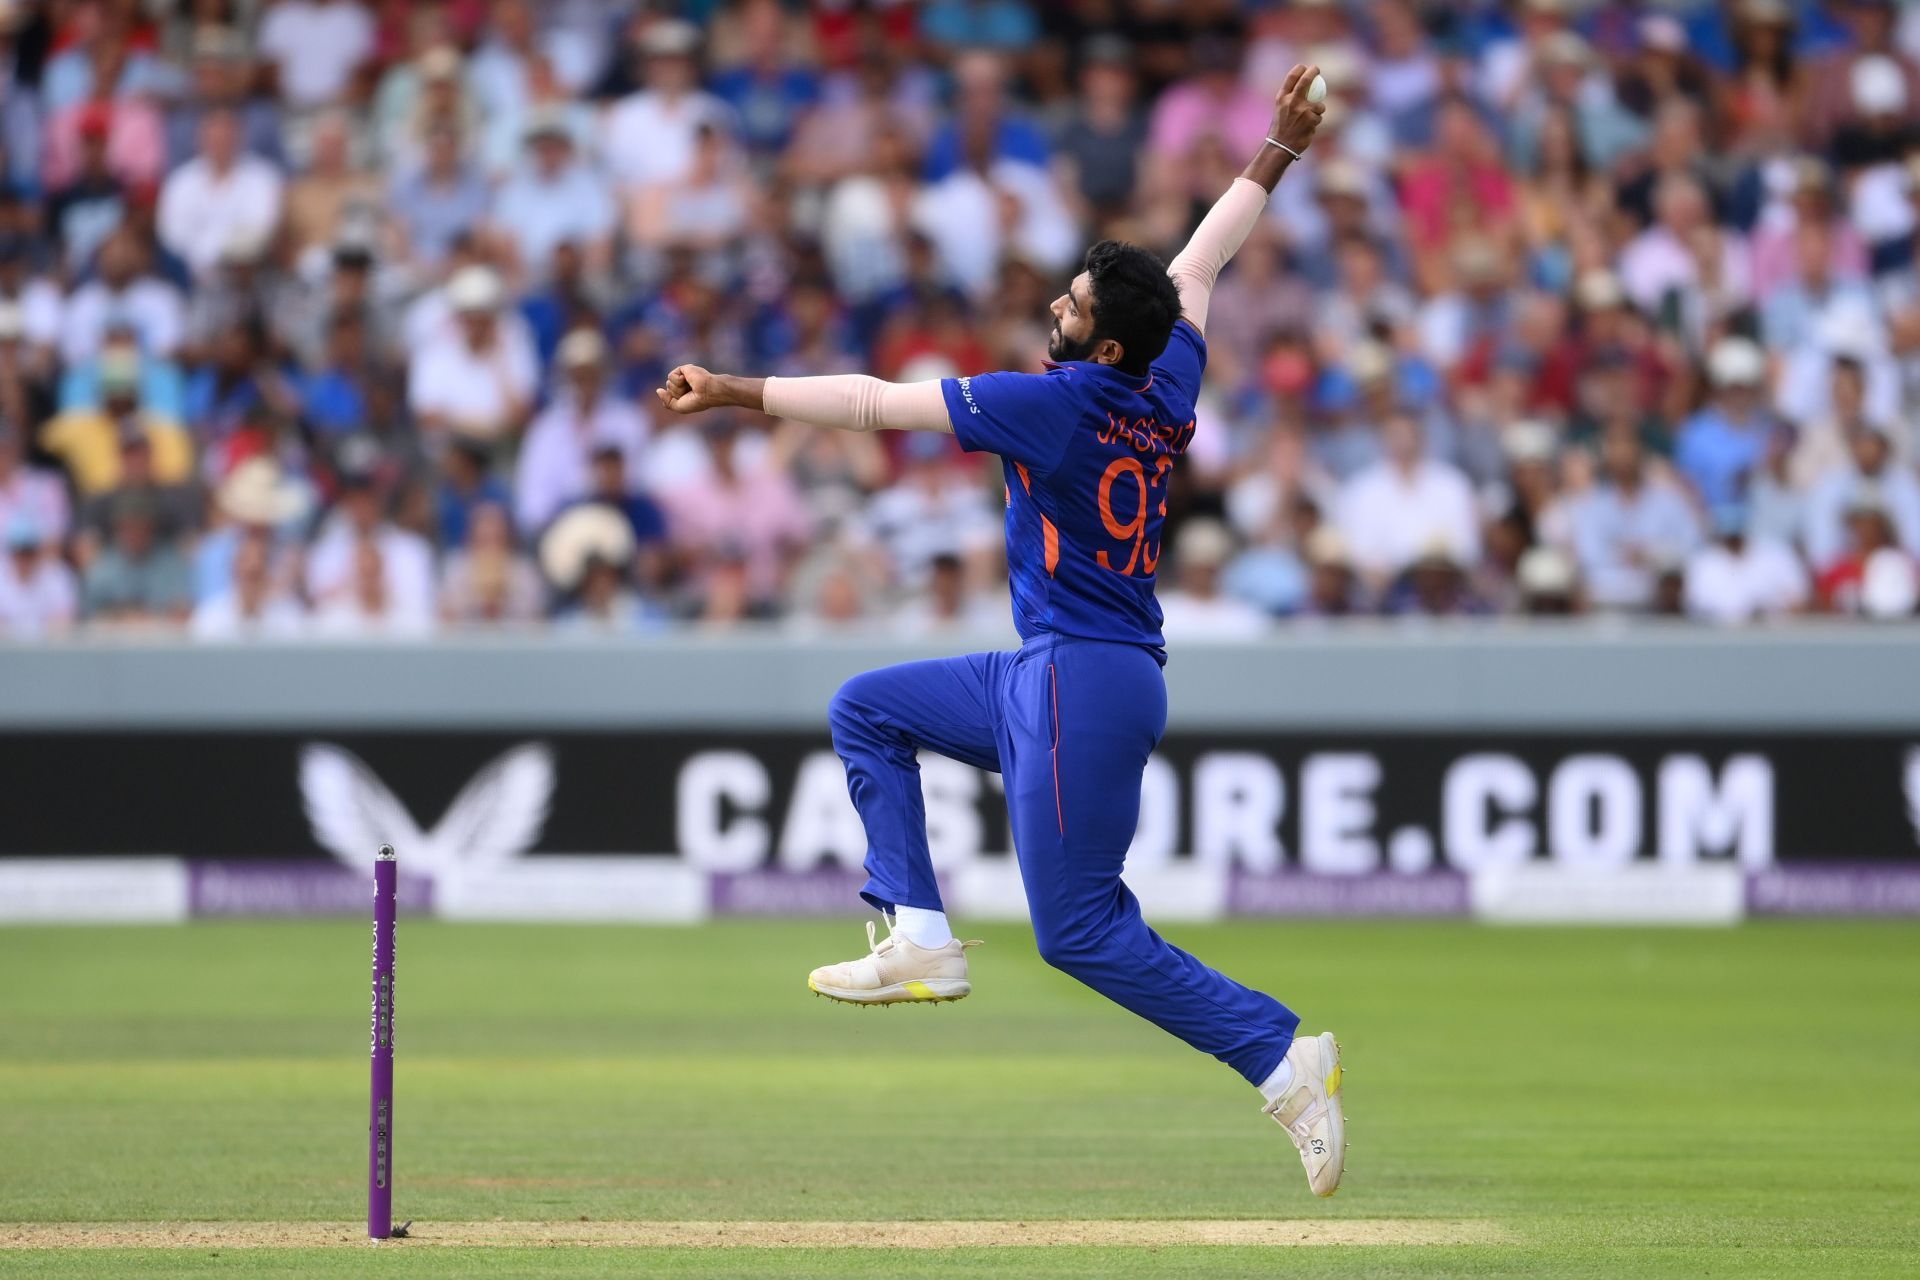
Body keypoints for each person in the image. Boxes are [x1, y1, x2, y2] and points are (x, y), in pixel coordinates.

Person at [654, 66, 1345, 1198]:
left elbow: (879, 403)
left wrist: (735, 389)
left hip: (1086, 679)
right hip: (1054, 669)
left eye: (1073, 309)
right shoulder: (1164, 373)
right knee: (867, 706)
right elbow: (1199, 265)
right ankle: (917, 930)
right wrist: (1277, 150)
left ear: (1103, 347)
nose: (1059, 312)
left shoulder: (1058, 402)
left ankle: (1279, 1055)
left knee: (1076, 930)